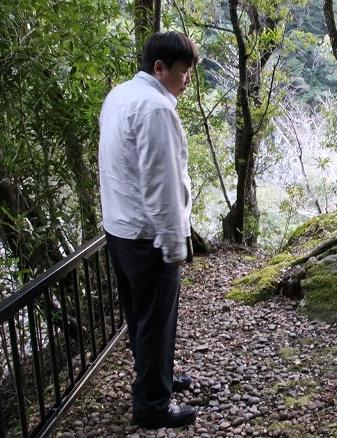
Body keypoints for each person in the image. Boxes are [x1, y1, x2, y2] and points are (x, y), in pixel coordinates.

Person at [98, 31, 198, 429]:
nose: (187, 79)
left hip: (120, 229)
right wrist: (175, 244)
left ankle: (155, 377)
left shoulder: (119, 95)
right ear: (159, 68)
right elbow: (162, 184)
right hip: (147, 235)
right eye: (183, 71)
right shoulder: (156, 108)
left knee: (141, 316)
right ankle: (153, 406)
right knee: (156, 319)